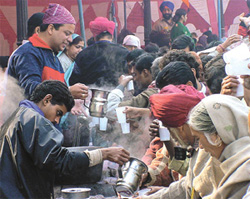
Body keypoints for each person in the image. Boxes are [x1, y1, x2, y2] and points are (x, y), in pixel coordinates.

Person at [0, 80, 130, 198]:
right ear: (47, 100)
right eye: (58, 113)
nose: (56, 120)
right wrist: (103, 154)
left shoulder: (20, 115)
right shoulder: (34, 120)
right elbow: (59, 161)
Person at [7, 3, 88, 100]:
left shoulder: (54, 58)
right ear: (51, 29)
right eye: (67, 33)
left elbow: (56, 98)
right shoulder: (28, 52)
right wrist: (68, 91)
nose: (70, 39)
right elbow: (31, 90)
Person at [189, 94, 250, 198]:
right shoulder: (232, 163)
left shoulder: (245, 171)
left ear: (216, 135)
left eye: (199, 138)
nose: (201, 146)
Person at [69, 17, 129, 87]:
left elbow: (74, 79)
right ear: (112, 36)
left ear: (95, 37)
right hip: (118, 94)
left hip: (89, 95)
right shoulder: (125, 52)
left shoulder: (83, 54)